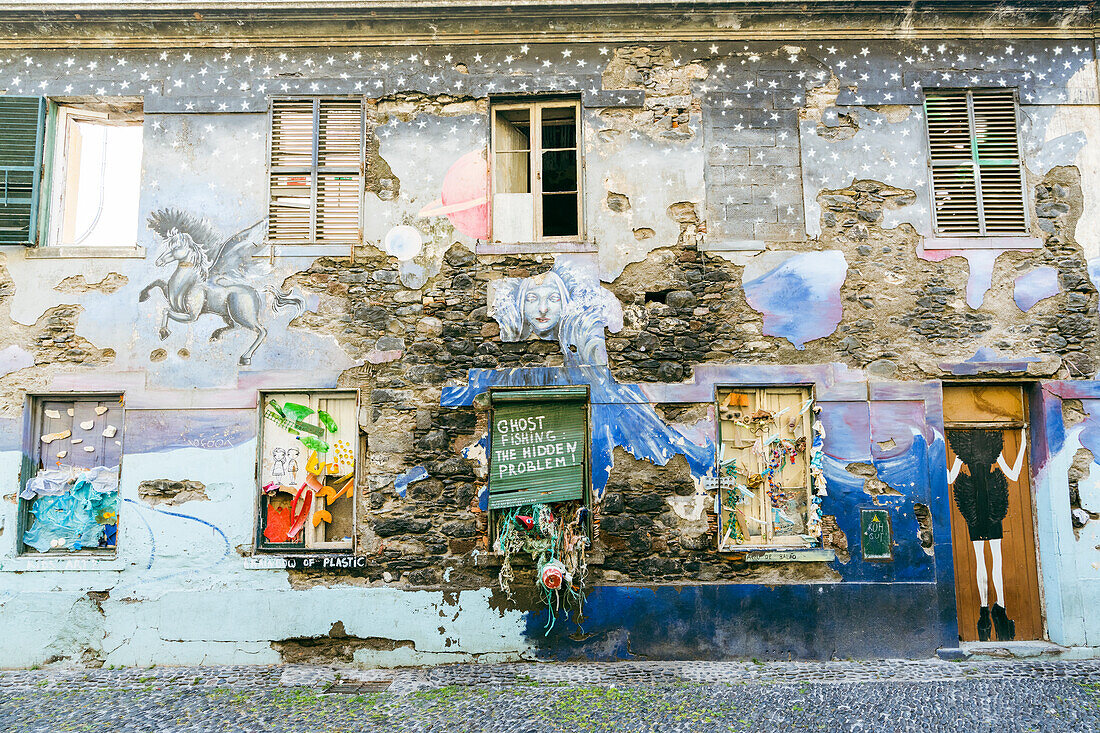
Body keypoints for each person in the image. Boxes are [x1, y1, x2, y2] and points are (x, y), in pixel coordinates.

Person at [946, 428, 1026, 642]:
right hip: (993, 504)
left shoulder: (962, 450)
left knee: (981, 561)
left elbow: (951, 477)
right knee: (996, 561)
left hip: (973, 505)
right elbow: (1013, 474)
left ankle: (983, 611)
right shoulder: (993, 448)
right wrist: (1024, 443)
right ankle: (1000, 607)